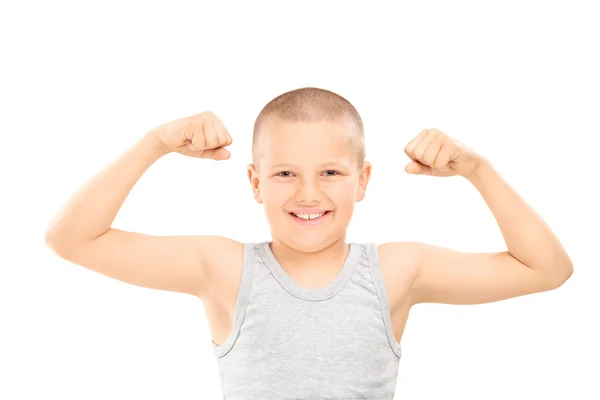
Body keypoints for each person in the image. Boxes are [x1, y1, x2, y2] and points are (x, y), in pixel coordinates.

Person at [44, 87, 573, 399]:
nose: (308, 193)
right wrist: (154, 143)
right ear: (254, 182)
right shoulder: (223, 268)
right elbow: (71, 238)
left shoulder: (395, 271)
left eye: (330, 172)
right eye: (284, 174)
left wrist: (477, 170)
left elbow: (546, 269)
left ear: (363, 180)